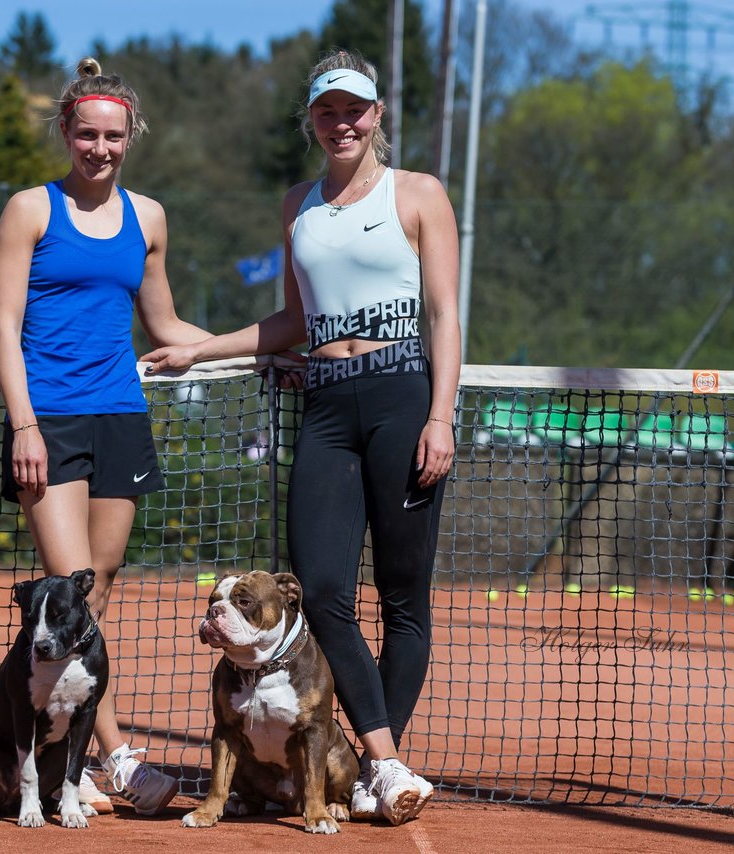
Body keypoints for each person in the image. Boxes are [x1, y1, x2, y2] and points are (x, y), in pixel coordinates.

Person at [142, 49, 460, 826]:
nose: (341, 122)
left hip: (404, 397)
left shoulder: (418, 194)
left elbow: (446, 314)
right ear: (312, 120)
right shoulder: (299, 205)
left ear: (377, 114)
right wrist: (202, 348)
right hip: (325, 405)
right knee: (321, 592)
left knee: (404, 602)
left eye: (355, 108)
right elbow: (295, 318)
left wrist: (440, 414)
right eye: (327, 111)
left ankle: (374, 764)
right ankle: (383, 766)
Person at [0, 57, 210, 817]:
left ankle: (60, 745)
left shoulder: (147, 218)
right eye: (87, 134)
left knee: (98, 589)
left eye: (113, 136)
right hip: (46, 421)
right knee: (69, 578)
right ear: (66, 132)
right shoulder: (29, 210)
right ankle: (116, 760)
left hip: (121, 415)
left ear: (130, 137)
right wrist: (23, 424)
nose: (101, 148)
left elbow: (167, 324)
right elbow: (2, 325)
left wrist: (257, 349)